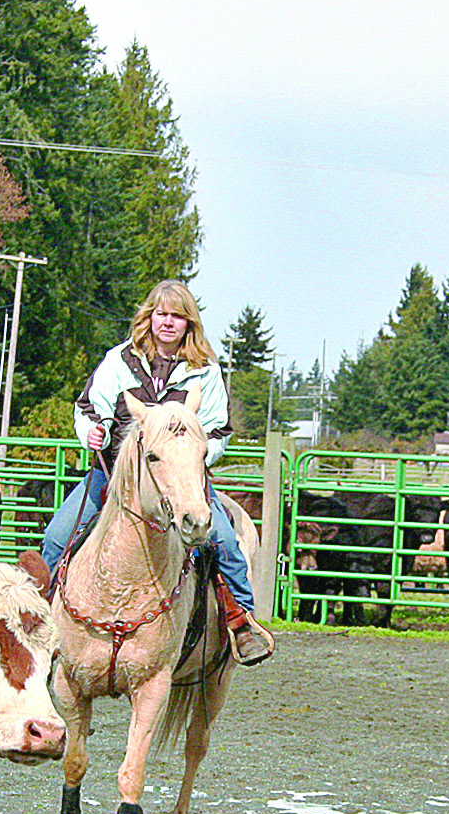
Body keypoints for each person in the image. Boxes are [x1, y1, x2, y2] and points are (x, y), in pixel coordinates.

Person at [41, 280, 275, 665]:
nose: (167, 322)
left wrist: (193, 457)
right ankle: (41, 624)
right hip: (115, 475)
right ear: (148, 317)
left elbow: (218, 429)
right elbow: (88, 407)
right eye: (161, 314)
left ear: (189, 324)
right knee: (57, 536)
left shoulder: (205, 373)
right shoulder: (118, 360)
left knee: (224, 541)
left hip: (182, 480)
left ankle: (240, 621)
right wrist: (92, 432)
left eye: (177, 316)